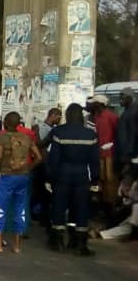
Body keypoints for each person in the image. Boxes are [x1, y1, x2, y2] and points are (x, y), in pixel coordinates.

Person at [46, 103, 99, 255]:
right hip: (82, 175)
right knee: (82, 207)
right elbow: (94, 161)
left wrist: (50, 178)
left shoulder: (59, 132)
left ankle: (57, 241)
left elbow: (54, 159)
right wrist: (95, 180)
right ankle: (80, 243)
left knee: (59, 206)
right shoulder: (91, 135)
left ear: (68, 116)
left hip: (62, 174)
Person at [0, 111, 43, 254]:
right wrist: (28, 168)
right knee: (20, 209)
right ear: (18, 123)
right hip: (23, 177)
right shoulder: (27, 138)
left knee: (0, 208)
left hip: (7, 176)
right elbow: (38, 157)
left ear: (6, 123)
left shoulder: (1, 137)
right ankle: (17, 246)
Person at [89, 95, 119, 218]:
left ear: (100, 104)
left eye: (94, 103)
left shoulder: (111, 116)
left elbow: (118, 134)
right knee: (101, 179)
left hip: (110, 153)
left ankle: (112, 205)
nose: (92, 105)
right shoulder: (96, 117)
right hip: (99, 152)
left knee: (110, 179)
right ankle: (104, 206)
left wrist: (112, 144)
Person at [117, 87, 137, 172]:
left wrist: (128, 157)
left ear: (129, 98)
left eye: (122, 98)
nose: (120, 100)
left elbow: (133, 135)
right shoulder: (128, 111)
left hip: (130, 156)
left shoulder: (132, 112)